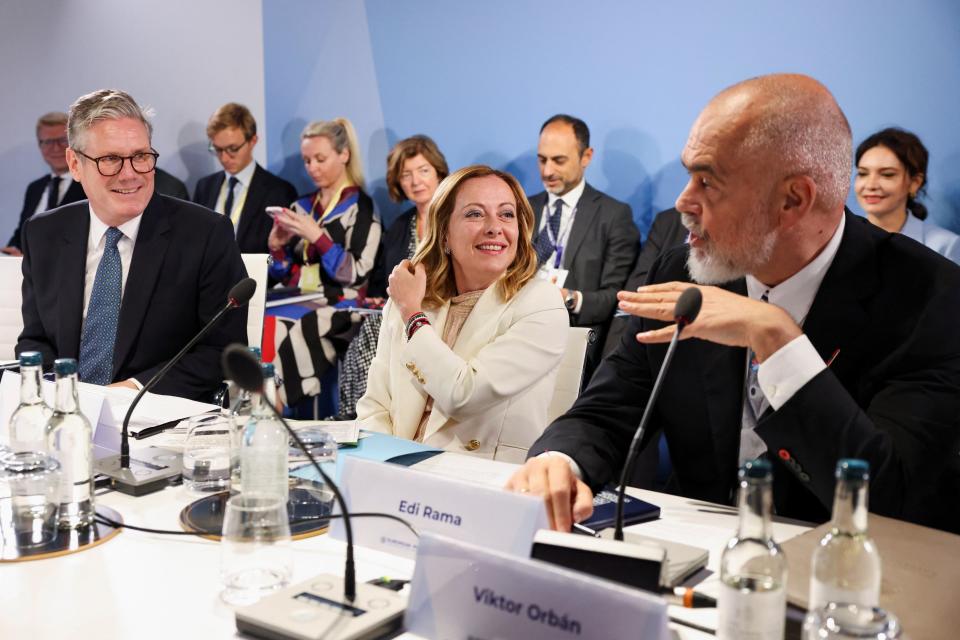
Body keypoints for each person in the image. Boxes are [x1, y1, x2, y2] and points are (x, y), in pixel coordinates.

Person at [507, 74, 960, 534]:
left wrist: (777, 337)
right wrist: (560, 460)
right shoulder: (679, 271)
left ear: (793, 199)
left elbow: (892, 498)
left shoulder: (929, 297)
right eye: (689, 174)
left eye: (708, 181)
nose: (684, 201)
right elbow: (608, 409)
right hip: (694, 556)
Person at [17, 89, 247, 401]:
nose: (130, 174)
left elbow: (223, 349)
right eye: (110, 159)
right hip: (65, 414)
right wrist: (59, 393)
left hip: (156, 420)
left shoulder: (206, 234)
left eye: (140, 156)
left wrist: (129, 392)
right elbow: (36, 339)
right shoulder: (43, 233)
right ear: (74, 163)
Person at [357, 165, 568, 461]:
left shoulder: (540, 302)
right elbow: (374, 405)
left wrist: (413, 317)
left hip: (482, 482)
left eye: (506, 214)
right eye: (475, 214)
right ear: (444, 233)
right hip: (396, 470)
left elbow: (463, 395)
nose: (495, 227)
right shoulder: (414, 295)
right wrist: (383, 463)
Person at [268, 118, 381, 406]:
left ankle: (274, 405)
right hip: (297, 295)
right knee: (260, 318)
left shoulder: (361, 207)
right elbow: (284, 272)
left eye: (320, 159)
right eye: (307, 160)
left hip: (344, 300)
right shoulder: (301, 206)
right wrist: (277, 248)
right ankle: (256, 403)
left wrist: (318, 237)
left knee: (295, 325)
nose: (312, 168)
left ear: (344, 155)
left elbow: (356, 273)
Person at [338, 135, 449, 415]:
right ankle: (360, 419)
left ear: (439, 172)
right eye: (406, 175)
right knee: (367, 334)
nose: (416, 182)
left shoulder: (454, 219)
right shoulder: (400, 226)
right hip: (396, 314)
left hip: (441, 312)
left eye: (423, 171)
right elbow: (381, 281)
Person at [529, 114, 638, 375]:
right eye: (542, 160)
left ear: (586, 157)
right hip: (519, 336)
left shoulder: (613, 216)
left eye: (559, 160)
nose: (547, 171)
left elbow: (617, 296)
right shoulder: (522, 208)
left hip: (574, 345)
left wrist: (569, 299)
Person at [193, 103, 297, 253]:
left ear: (253, 141)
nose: (224, 157)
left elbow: (282, 253)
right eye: (218, 149)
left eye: (233, 149)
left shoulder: (279, 191)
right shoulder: (204, 187)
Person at [855, 127, 960, 264]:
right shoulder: (839, 240)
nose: (870, 185)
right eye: (863, 173)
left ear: (915, 183)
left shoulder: (945, 246)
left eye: (887, 174)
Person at [3, 112, 87, 255]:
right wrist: (10, 252)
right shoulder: (35, 188)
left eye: (63, 140)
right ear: (40, 146)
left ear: (75, 143)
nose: (56, 148)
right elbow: (20, 235)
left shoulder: (89, 184)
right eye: (48, 142)